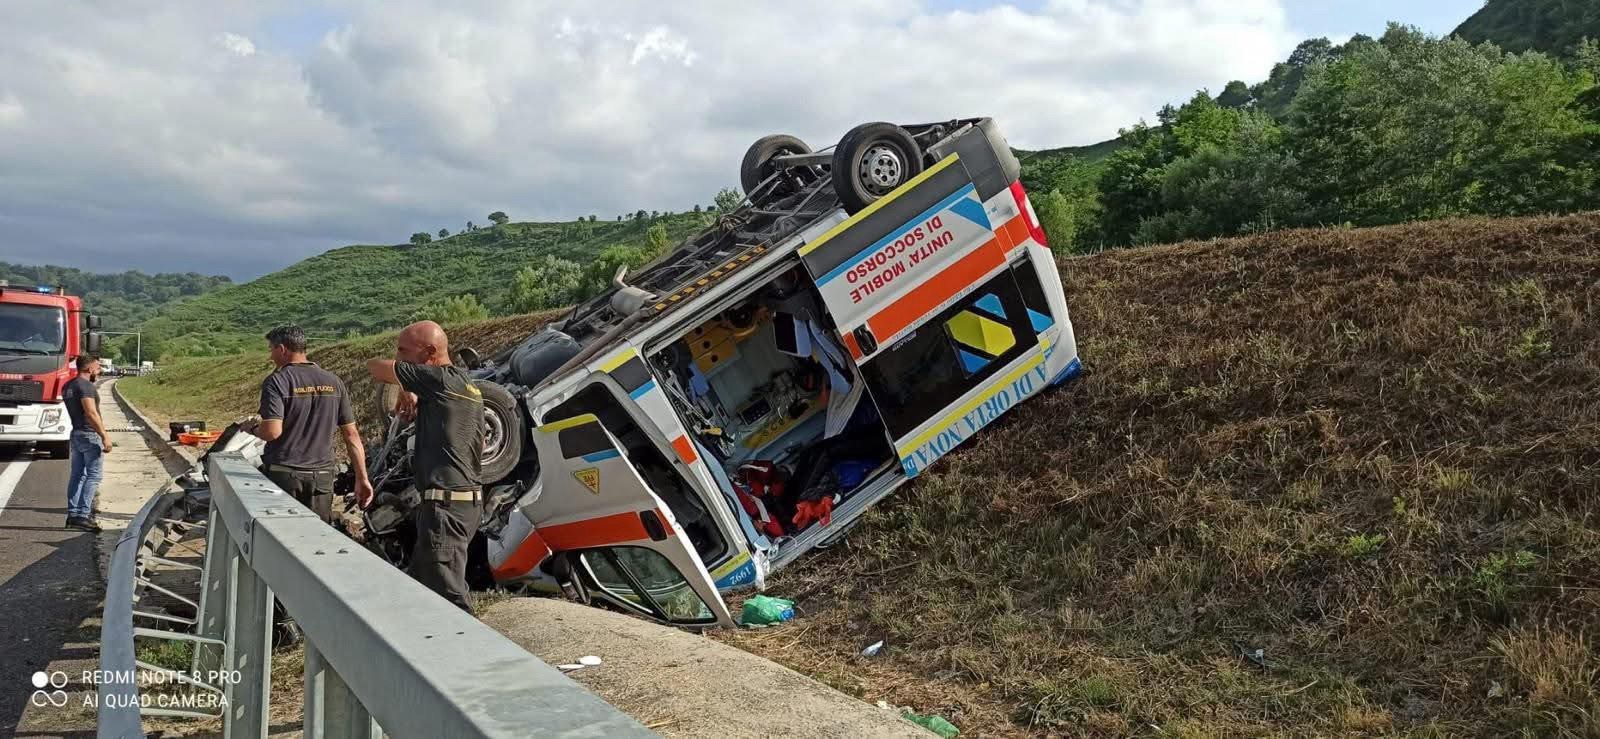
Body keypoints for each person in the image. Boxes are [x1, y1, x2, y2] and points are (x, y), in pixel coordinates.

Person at [366, 320, 484, 612]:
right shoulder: (463, 383)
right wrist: (410, 387)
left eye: (403, 351)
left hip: (446, 508)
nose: (398, 356)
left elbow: (375, 367)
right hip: (459, 503)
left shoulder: (438, 379)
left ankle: (470, 639)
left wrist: (404, 383)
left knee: (450, 599)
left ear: (430, 352)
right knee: (420, 588)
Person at [247, 325, 374, 521]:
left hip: (285, 475)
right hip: (322, 477)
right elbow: (351, 435)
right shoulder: (334, 382)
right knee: (317, 534)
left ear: (282, 349)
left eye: (271, 349)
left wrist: (253, 429)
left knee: (281, 533)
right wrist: (362, 478)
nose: (271, 356)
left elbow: (272, 431)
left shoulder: (277, 381)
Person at [61, 355, 110, 532]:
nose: (99, 371)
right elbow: (90, 413)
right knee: (94, 476)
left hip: (76, 433)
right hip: (90, 435)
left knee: (77, 475)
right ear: (89, 369)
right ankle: (83, 515)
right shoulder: (86, 386)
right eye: (98, 368)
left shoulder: (68, 386)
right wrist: (104, 435)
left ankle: (73, 515)